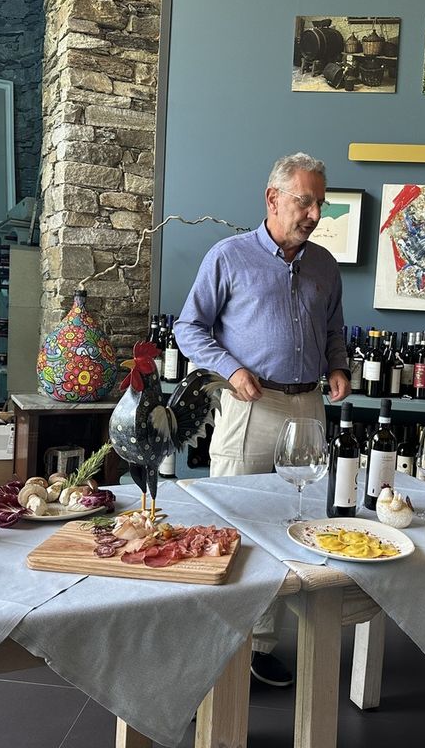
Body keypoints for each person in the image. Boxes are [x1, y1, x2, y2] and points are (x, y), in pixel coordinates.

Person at [174, 151, 351, 686]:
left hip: (309, 408)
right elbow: (189, 328)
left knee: (294, 525)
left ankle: (260, 646)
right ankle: (214, 647)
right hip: (249, 407)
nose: (314, 214)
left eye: (320, 204)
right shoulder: (227, 257)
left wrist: (338, 366)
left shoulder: (325, 265)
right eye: (305, 202)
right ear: (273, 198)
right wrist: (230, 369)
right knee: (233, 529)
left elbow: (335, 329)